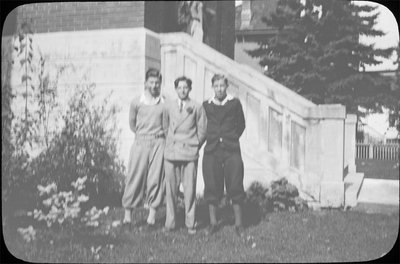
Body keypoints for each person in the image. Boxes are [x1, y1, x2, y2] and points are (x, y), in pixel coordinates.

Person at [121, 68, 167, 230]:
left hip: (158, 143)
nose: (154, 86)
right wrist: (143, 136)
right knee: (135, 177)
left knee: (155, 178)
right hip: (140, 142)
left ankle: (152, 219)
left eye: (157, 83)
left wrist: (157, 138)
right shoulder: (136, 102)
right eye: (151, 82)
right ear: (145, 83)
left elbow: (166, 125)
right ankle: (127, 218)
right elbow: (132, 124)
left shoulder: (164, 103)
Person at [202, 74, 246, 237]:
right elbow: (202, 125)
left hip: (231, 149)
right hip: (212, 149)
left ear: (226, 86)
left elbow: (241, 124)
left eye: (222, 85)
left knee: (235, 183)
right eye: (216, 86)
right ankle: (213, 223)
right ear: (212, 87)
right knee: (211, 184)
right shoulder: (206, 105)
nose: (219, 89)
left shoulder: (234, 103)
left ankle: (239, 224)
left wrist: (230, 137)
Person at [163, 76, 207, 235]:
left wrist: (194, 144)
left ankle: (190, 223)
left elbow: (202, 130)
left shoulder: (197, 106)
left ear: (190, 89)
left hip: (189, 153)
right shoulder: (168, 106)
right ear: (176, 89)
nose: (182, 90)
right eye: (179, 87)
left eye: (185, 87)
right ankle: (170, 223)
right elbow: (164, 126)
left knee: (189, 190)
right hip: (172, 153)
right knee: (171, 190)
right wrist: (170, 143)